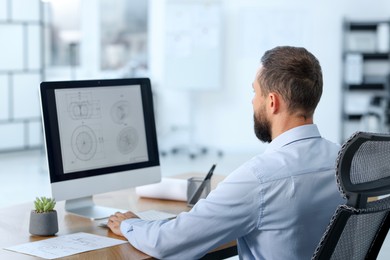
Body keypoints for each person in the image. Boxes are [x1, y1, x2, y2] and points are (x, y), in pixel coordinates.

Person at [107, 46, 345, 259]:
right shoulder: (344, 161)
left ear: (272, 102)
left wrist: (130, 225)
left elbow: (170, 243)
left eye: (255, 93)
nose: (253, 102)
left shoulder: (259, 178)